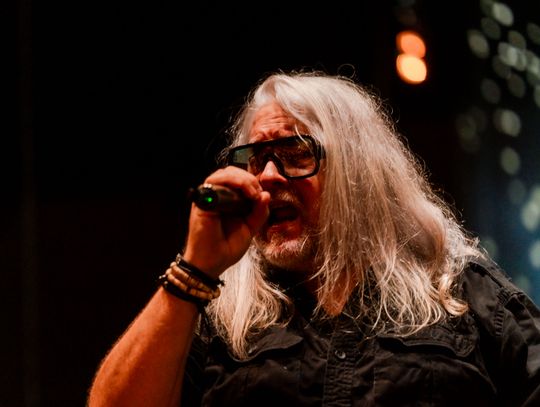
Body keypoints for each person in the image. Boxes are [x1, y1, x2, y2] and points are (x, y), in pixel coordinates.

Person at [87, 70, 540, 406]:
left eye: (294, 153)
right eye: (255, 158)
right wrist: (195, 269)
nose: (266, 176)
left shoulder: (458, 291)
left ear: (357, 172)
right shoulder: (220, 315)